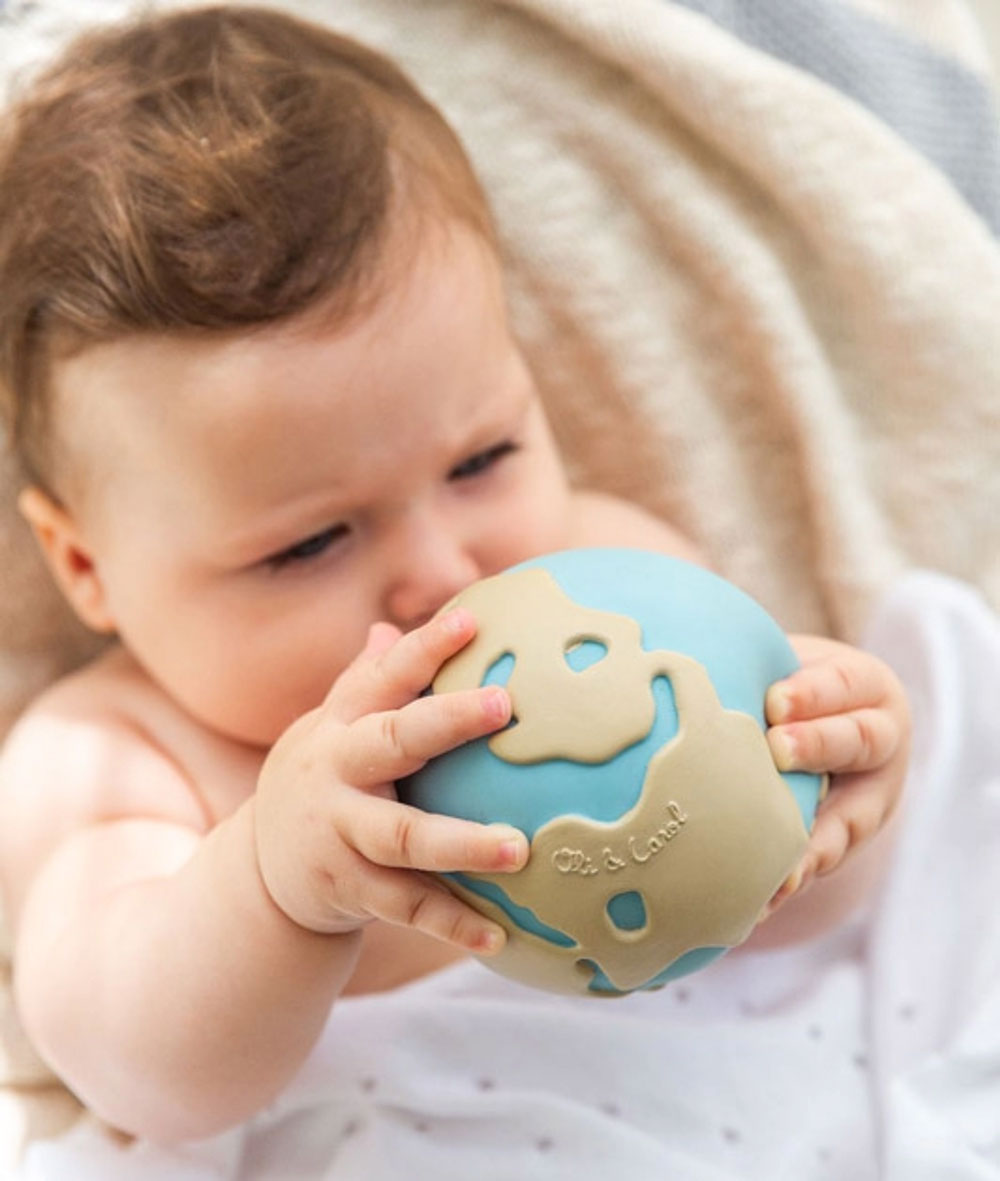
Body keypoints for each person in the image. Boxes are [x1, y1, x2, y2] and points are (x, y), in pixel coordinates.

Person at [0, 5, 909, 1146]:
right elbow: (138, 1075)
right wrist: (274, 884)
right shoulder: (120, 755)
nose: (440, 573)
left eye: (481, 460)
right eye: (308, 543)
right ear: (87, 565)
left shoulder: (619, 591)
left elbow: (784, 920)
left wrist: (831, 791)